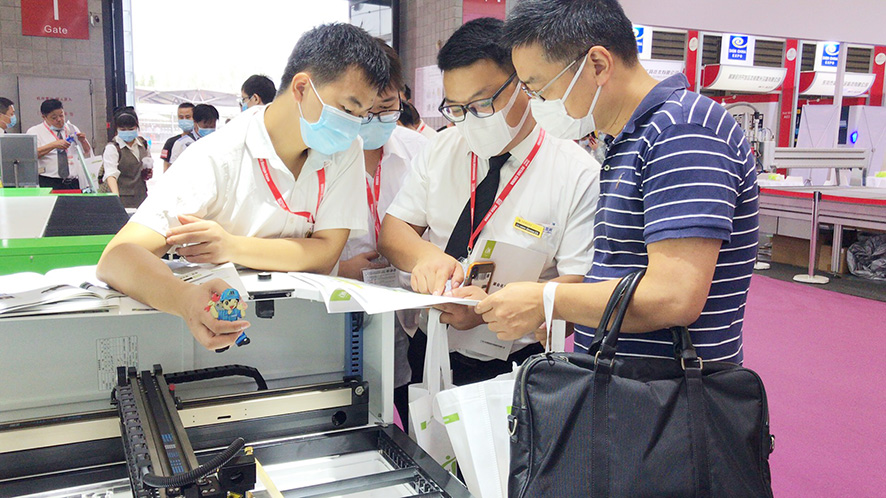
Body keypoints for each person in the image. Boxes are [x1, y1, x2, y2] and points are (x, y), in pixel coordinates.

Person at [476, 0, 759, 365]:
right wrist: (574, 310)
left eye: (539, 89)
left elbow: (674, 296)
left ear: (597, 65)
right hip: (630, 383)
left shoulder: (682, 131)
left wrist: (548, 299)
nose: (538, 104)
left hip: (670, 390)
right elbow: (627, 270)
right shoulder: (631, 138)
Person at [96, 22, 390, 350]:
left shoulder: (344, 150)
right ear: (302, 88)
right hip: (212, 334)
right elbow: (118, 256)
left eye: (362, 115)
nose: (353, 126)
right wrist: (185, 299)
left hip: (307, 335)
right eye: (347, 110)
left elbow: (326, 253)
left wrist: (231, 246)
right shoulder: (219, 155)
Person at [378, 17, 600, 390]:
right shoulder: (444, 148)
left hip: (515, 366)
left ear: (522, 84)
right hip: (428, 345)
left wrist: (486, 310)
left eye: (482, 104)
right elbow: (395, 230)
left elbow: (580, 283)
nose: (469, 120)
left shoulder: (577, 173)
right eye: (456, 108)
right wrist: (427, 259)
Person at [335, 39, 428, 430]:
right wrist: (340, 269)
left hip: (411, 305)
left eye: (387, 106)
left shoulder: (421, 150)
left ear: (402, 96)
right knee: (350, 405)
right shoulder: (327, 153)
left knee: (410, 404)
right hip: (342, 304)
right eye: (365, 109)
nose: (374, 118)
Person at [26, 99, 92, 190]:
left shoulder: (71, 128)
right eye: (54, 118)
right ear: (44, 117)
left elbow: (87, 152)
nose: (59, 120)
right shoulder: (35, 131)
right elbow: (31, 155)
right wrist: (53, 145)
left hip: (73, 181)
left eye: (61, 115)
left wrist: (83, 141)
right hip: (49, 181)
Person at [100, 109, 153, 208]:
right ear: (117, 129)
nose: (127, 132)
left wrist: (148, 173)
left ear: (137, 127)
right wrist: (116, 200)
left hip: (141, 197)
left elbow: (146, 166)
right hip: (122, 199)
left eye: (131, 129)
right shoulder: (113, 148)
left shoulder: (143, 144)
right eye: (123, 130)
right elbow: (111, 175)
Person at [160, 102, 195, 172]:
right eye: (181, 117)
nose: (184, 120)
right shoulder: (171, 142)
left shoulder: (201, 140)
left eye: (188, 117)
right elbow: (166, 167)